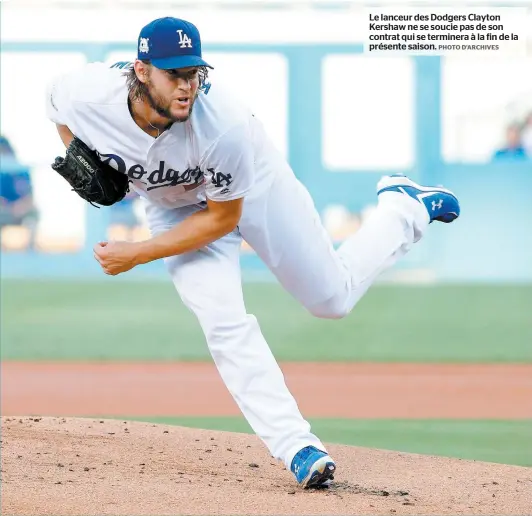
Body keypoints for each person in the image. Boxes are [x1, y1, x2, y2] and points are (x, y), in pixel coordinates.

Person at [45, 17, 460, 488]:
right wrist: (81, 151)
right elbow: (54, 103)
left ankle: (404, 209)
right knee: (223, 323)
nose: (187, 86)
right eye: (174, 75)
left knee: (332, 300)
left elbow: (222, 219)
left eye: (194, 73)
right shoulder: (88, 93)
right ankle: (298, 447)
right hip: (174, 208)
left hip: (253, 186)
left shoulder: (224, 124)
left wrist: (137, 253)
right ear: (142, 71)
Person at [0, 135, 39, 250]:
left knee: (33, 213)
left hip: (19, 210)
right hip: (3, 211)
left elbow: (29, 197)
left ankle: (31, 248)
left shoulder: (20, 170)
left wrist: (19, 207)